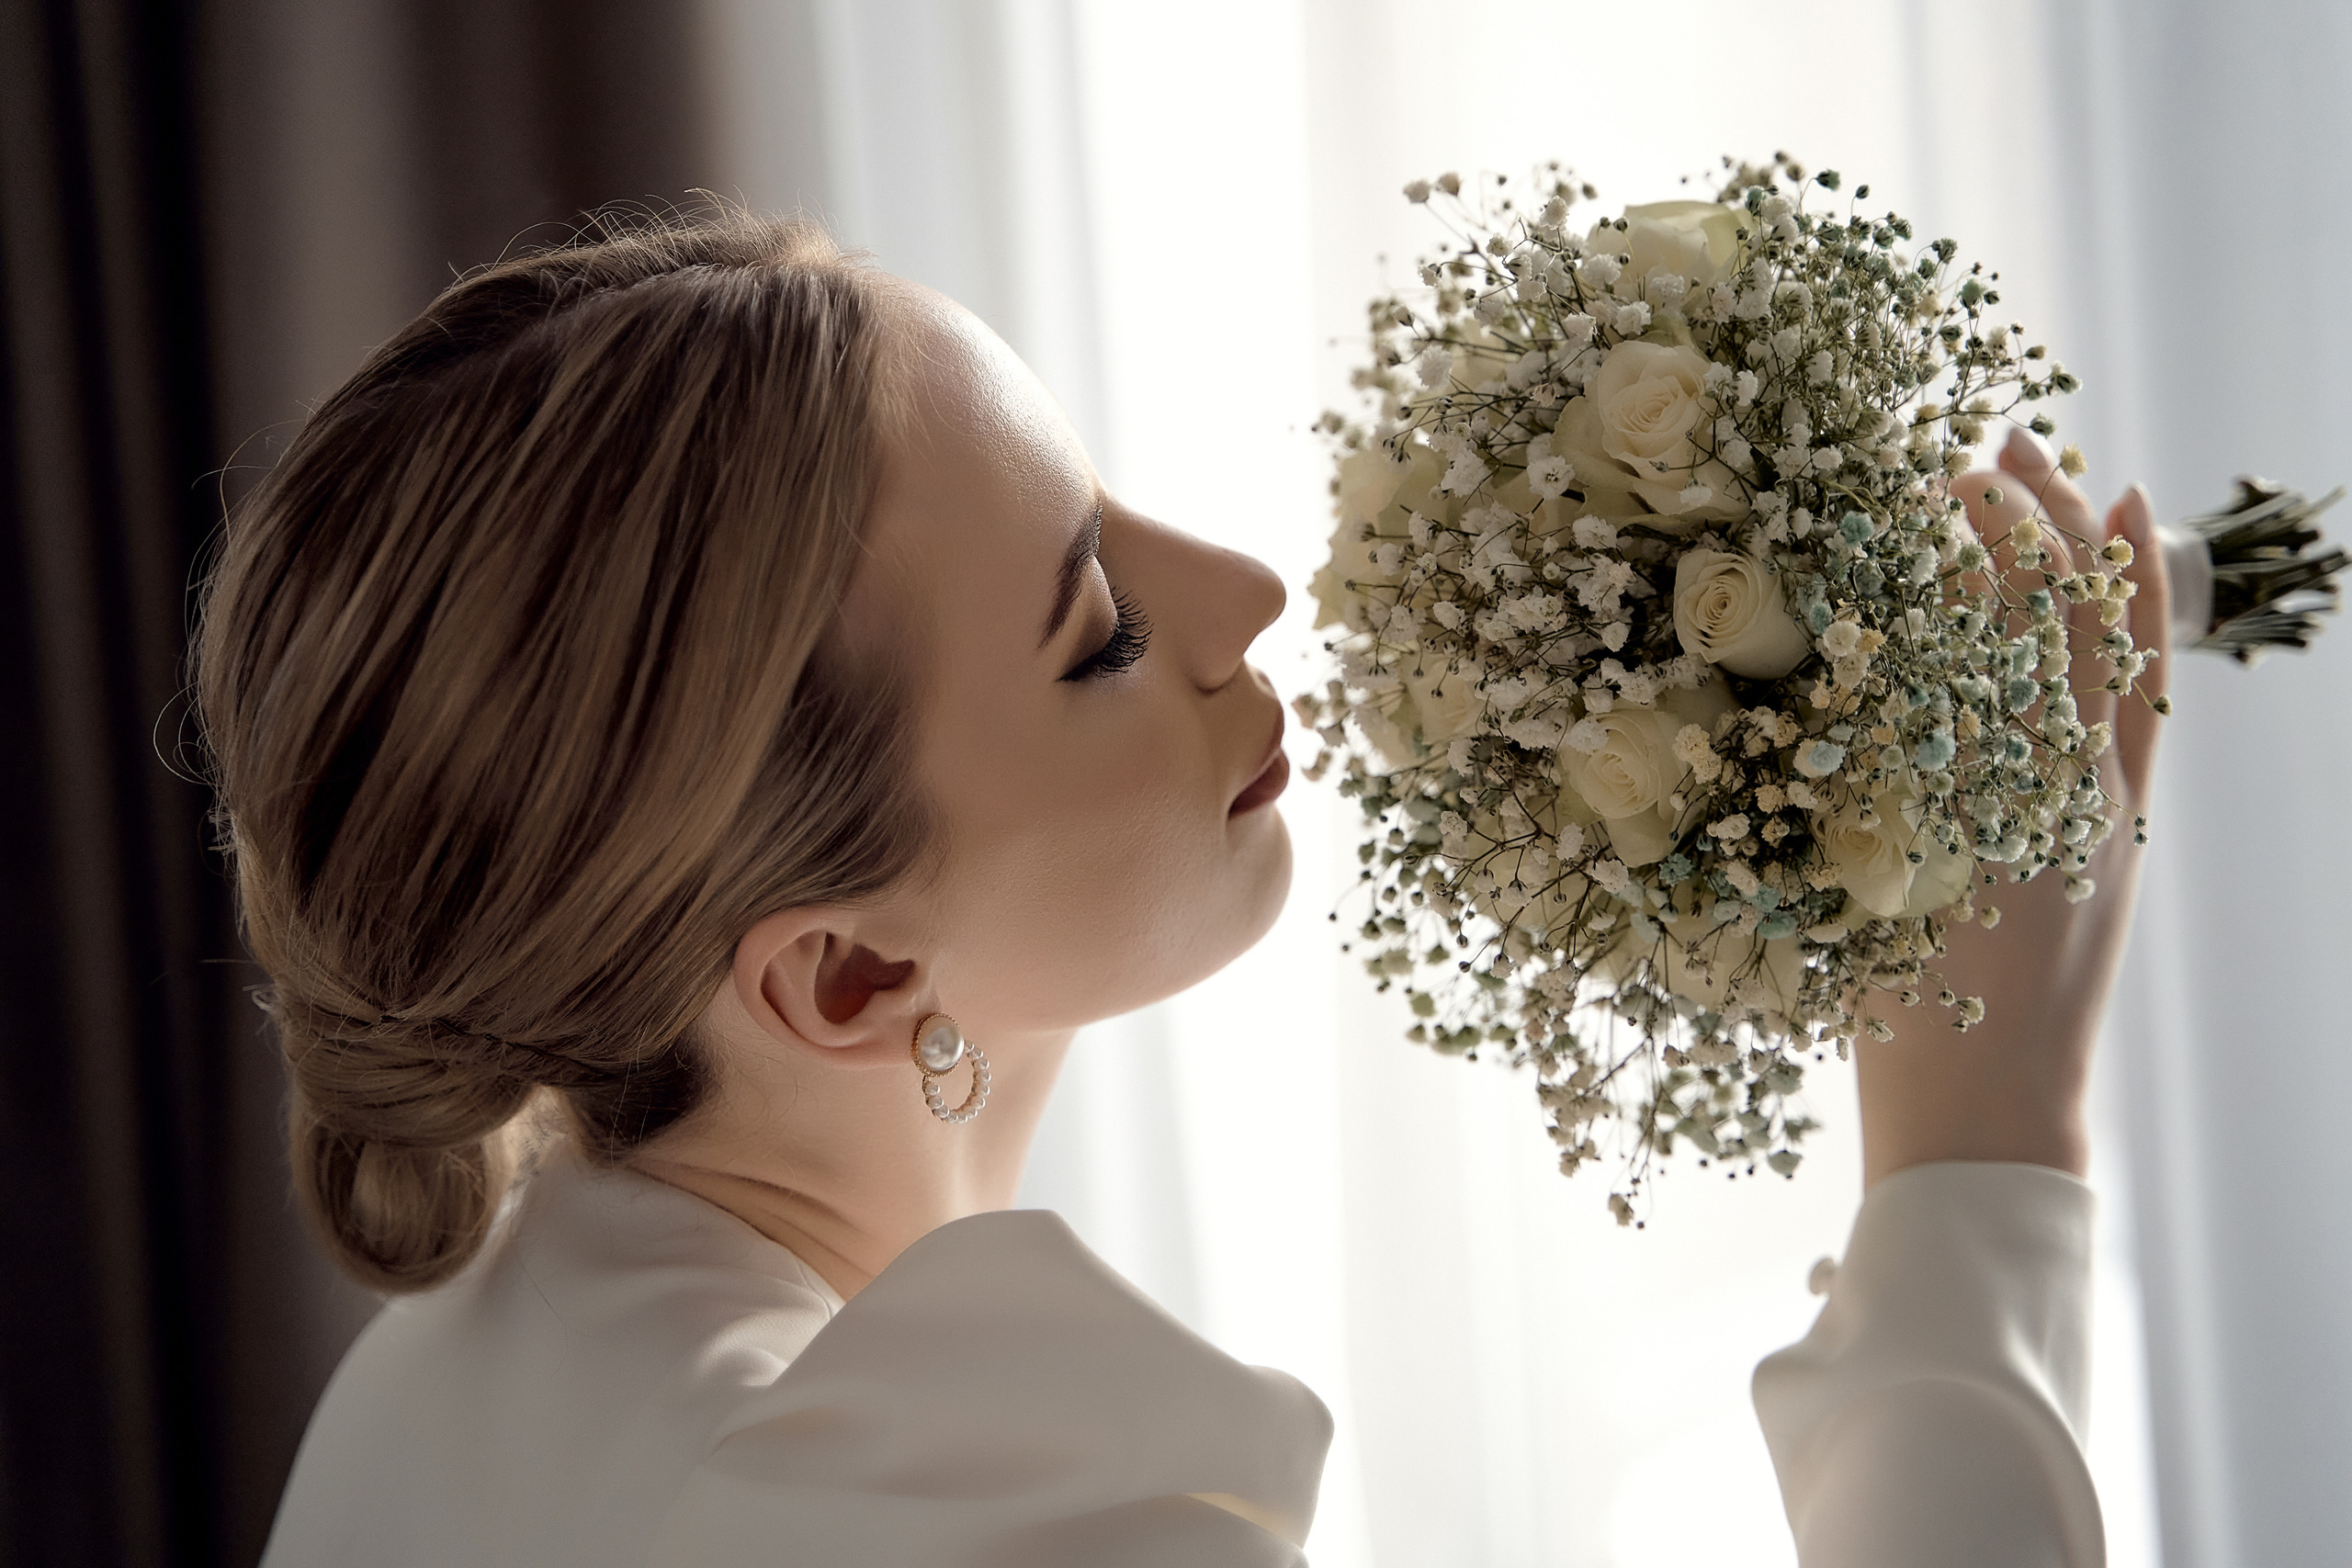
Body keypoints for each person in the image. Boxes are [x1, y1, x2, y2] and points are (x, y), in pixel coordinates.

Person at [198, 210, 2165, 1567]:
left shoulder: (454, 1374)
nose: (1244, 593)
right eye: (1099, 629)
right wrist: (1980, 1145)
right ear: (851, 973)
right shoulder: (978, 1522)